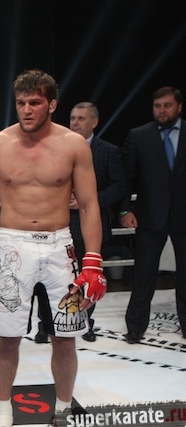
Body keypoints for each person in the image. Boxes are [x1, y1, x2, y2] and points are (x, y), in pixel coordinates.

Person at [0, 70, 107, 426]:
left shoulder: (74, 145)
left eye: (35, 102)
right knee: (9, 337)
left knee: (65, 338)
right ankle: (4, 410)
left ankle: (62, 409)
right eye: (21, 103)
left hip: (60, 248)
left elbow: (89, 204)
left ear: (52, 105)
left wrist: (93, 260)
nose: (26, 110)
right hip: (13, 246)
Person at [34, 102, 125, 343]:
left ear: (94, 122)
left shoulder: (108, 151)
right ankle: (45, 324)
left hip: (90, 224)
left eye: (81, 119)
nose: (74, 123)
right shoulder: (55, 147)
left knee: (88, 276)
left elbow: (119, 186)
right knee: (47, 276)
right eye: (73, 118)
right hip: (56, 223)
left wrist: (89, 199)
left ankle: (85, 322)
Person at [119, 86, 186, 344]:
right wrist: (124, 209)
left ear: (179, 107)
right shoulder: (139, 136)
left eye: (167, 105)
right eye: (157, 106)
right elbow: (126, 177)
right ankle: (135, 327)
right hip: (149, 216)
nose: (162, 110)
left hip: (183, 215)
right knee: (143, 274)